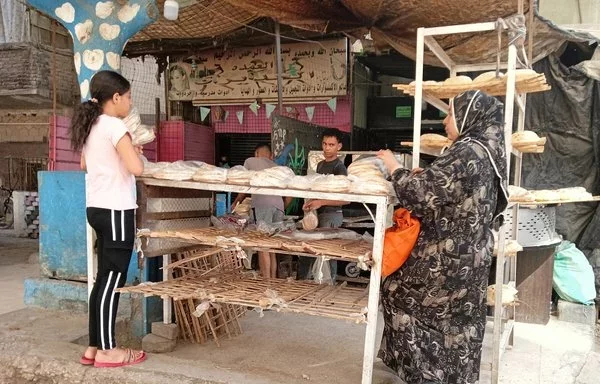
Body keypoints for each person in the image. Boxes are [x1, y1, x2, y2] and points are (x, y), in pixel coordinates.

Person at [376, 90, 508, 384]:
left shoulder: (466, 151)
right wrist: (430, 173)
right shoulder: (487, 150)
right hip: (472, 259)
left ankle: (424, 374)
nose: (446, 121)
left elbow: (420, 195)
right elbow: (453, 189)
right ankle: (454, 376)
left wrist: (394, 167)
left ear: (469, 116)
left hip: (446, 262)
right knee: (461, 322)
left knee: (398, 292)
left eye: (451, 114)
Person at [71, 70, 146, 368]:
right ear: (115, 98)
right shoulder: (115, 125)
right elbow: (136, 168)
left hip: (97, 208)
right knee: (113, 280)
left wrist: (124, 154)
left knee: (104, 279)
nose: (129, 102)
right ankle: (107, 350)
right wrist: (133, 152)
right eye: (127, 97)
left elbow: (84, 163)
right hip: (116, 210)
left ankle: (93, 347)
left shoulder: (91, 125)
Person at [232, 143, 291, 278]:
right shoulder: (277, 168)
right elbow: (290, 194)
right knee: (271, 245)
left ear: (256, 154)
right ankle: (272, 280)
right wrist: (281, 206)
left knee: (262, 244)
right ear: (271, 156)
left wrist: (236, 202)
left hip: (262, 205)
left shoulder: (250, 161)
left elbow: (245, 183)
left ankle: (266, 281)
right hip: (278, 207)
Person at [299, 128, 349, 282]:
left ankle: (329, 285)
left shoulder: (339, 167)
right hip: (319, 215)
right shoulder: (320, 165)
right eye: (325, 144)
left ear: (339, 147)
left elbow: (346, 199)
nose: (327, 148)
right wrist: (310, 203)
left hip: (332, 215)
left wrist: (321, 203)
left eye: (331, 145)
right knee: (314, 251)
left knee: (328, 253)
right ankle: (316, 284)